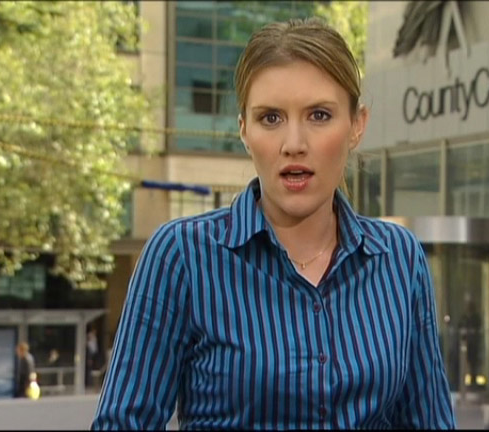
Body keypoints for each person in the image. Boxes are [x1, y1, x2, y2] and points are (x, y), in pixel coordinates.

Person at [92, 18, 455, 430]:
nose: (294, 144)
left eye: (319, 115)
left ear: (357, 125)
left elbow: (430, 421)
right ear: (243, 130)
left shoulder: (399, 258)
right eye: (270, 118)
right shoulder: (182, 255)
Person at [458, 300, 482, 382]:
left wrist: (473, 331)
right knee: (465, 362)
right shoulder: (464, 317)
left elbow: (478, 328)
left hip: (474, 343)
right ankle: (463, 379)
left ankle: (473, 379)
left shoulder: (476, 317)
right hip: (465, 343)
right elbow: (460, 327)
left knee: (473, 363)